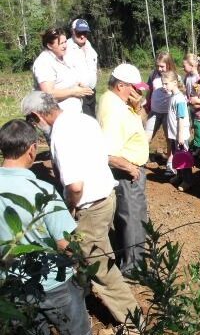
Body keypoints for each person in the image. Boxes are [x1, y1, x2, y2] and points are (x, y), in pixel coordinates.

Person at [21, 91, 140, 327]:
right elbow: (103, 155)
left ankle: (133, 320)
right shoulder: (84, 119)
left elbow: (75, 186)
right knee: (92, 254)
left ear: (37, 115)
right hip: (107, 198)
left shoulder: (61, 135)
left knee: (101, 268)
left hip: (90, 206)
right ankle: (83, 295)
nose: (33, 127)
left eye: (31, 121)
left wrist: (68, 208)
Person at [0, 119, 91, 335]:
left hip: (10, 284)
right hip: (51, 282)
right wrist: (80, 265)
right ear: (32, 150)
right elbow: (64, 243)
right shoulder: (42, 191)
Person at [97, 63, 150, 277]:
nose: (138, 91)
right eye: (134, 87)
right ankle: (134, 268)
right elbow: (109, 154)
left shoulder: (112, 99)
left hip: (128, 169)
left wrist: (137, 107)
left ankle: (128, 260)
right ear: (120, 85)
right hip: (127, 172)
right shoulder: (114, 111)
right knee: (134, 219)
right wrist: (130, 168)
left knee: (127, 217)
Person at [32, 27, 93, 114]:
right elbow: (48, 94)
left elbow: (64, 81)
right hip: (56, 116)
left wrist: (78, 85)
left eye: (65, 42)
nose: (65, 46)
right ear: (49, 45)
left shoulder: (64, 57)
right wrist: (73, 92)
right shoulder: (44, 63)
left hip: (73, 112)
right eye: (61, 43)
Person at [145, 51, 177, 176]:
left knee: (169, 138)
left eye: (162, 66)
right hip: (154, 111)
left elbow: (178, 93)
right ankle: (140, 159)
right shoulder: (153, 74)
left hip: (168, 113)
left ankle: (170, 163)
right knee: (146, 135)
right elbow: (149, 90)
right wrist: (147, 102)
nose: (159, 68)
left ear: (169, 65)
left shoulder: (174, 77)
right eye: (158, 66)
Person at [162, 71, 193, 192]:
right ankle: (179, 175)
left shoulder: (179, 99)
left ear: (174, 82)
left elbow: (181, 118)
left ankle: (187, 180)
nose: (164, 86)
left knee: (184, 158)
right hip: (174, 134)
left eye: (166, 84)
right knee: (177, 156)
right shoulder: (172, 96)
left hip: (180, 135)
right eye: (163, 84)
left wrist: (180, 136)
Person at [66, 19, 99, 117]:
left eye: (84, 32)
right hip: (78, 94)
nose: (82, 35)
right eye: (79, 32)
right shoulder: (67, 48)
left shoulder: (89, 45)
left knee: (92, 120)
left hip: (92, 92)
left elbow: (93, 66)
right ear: (73, 31)